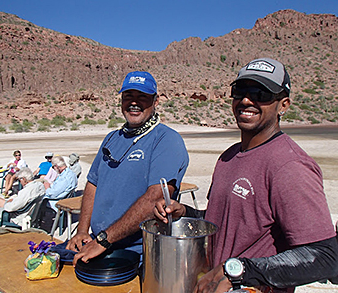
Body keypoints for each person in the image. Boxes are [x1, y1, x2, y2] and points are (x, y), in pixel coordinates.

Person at [154, 58, 338, 293]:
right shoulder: (228, 157)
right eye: (239, 91)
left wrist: (240, 270)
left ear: (283, 105)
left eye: (261, 93)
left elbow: (324, 257)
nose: (246, 100)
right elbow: (230, 221)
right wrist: (185, 212)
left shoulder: (290, 165)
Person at [66, 71, 189, 264]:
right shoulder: (111, 138)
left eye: (142, 97)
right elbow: (92, 184)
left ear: (155, 102)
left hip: (140, 255)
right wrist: (82, 231)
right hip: (98, 245)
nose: (134, 102)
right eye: (128, 97)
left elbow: (155, 199)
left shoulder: (166, 140)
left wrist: (104, 240)